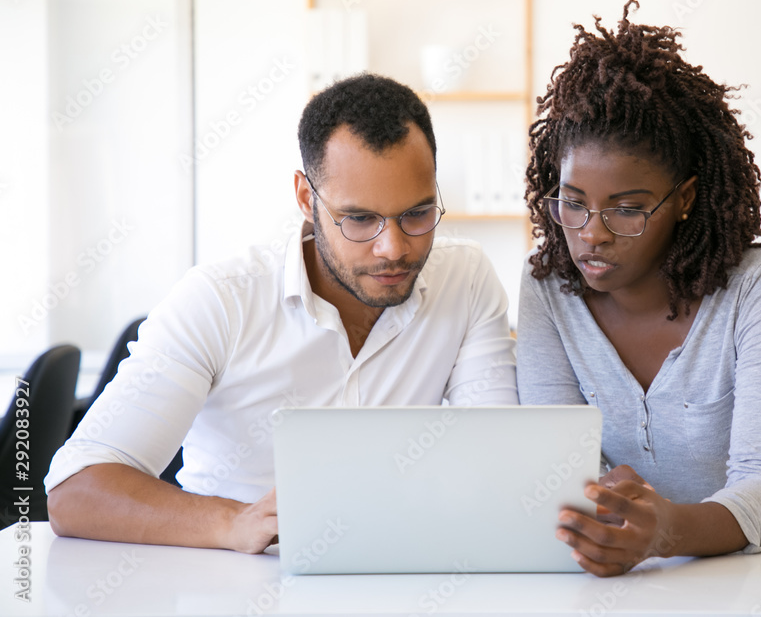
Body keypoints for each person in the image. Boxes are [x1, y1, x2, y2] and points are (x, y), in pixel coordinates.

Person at [45, 73, 517, 552]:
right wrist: (233, 523)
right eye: (359, 219)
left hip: (397, 575)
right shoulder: (220, 300)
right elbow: (75, 491)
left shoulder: (466, 278)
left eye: (416, 214)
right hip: (234, 584)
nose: (393, 249)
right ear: (306, 199)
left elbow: (501, 458)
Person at [516, 1, 761, 577]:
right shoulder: (548, 286)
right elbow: (560, 461)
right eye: (572, 204)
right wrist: (608, 499)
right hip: (658, 578)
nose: (591, 235)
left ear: (684, 198)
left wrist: (667, 531)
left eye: (627, 210)